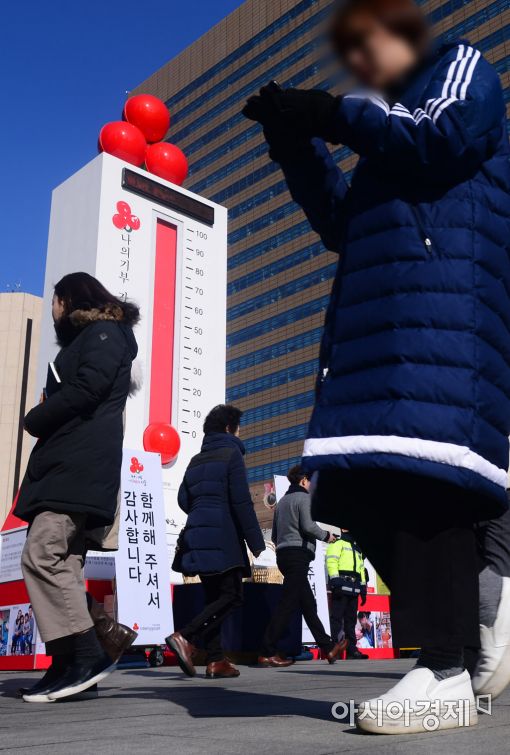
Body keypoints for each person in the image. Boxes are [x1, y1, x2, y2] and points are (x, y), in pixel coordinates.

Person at [243, 0, 510, 735]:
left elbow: (446, 135)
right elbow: (344, 224)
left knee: (419, 483)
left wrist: (329, 112)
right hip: (383, 325)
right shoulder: (383, 139)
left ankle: (446, 667)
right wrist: (295, 141)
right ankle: (482, 610)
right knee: (353, 493)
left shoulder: (459, 69)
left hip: (442, 313)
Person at [15, 272, 139, 703]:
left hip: (76, 469)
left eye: (55, 300)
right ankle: (67, 665)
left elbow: (87, 390)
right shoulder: (90, 340)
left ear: (69, 299)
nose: (52, 310)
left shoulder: (105, 333)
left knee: (41, 555)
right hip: (70, 468)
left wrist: (36, 417)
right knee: (63, 565)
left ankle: (88, 654)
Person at [167, 404, 265, 679]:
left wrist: (203, 511)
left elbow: (183, 500)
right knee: (233, 596)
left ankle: (216, 659)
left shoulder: (196, 460)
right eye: (238, 427)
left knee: (214, 597)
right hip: (223, 536)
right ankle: (186, 637)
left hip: (197, 536)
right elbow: (242, 503)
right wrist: (258, 546)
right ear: (228, 428)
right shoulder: (231, 454)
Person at [258, 465, 343, 667]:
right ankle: (266, 651)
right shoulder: (304, 498)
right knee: (288, 604)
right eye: (310, 480)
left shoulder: (282, 502)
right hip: (298, 555)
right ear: (304, 480)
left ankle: (328, 648)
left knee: (308, 605)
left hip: (284, 555)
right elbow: (308, 526)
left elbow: (276, 535)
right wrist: (327, 536)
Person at [326, 529, 368, 659]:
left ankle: (351, 650)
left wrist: (363, 587)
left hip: (354, 588)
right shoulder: (337, 544)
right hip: (341, 586)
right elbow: (331, 561)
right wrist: (335, 580)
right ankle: (335, 648)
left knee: (351, 620)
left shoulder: (357, 548)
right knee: (337, 619)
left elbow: (361, 568)